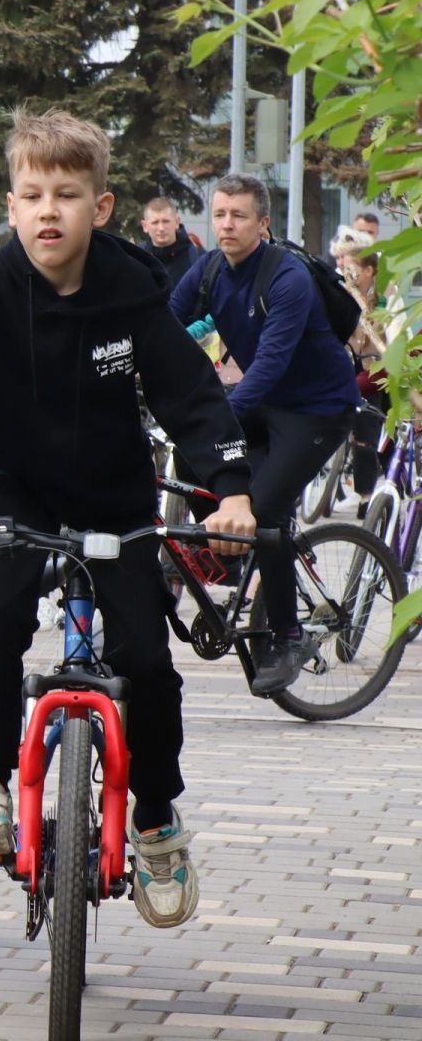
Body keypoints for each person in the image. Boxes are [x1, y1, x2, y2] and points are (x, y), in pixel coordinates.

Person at [0, 108, 255, 932]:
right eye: (31, 194)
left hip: (115, 497)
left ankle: (158, 822)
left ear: (104, 205)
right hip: (18, 488)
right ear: (12, 208)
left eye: (67, 193)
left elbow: (191, 399)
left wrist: (231, 489)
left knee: (148, 664)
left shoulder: (134, 290)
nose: (48, 210)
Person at [169, 174, 360, 695]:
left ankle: (288, 634)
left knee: (266, 511)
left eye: (239, 216)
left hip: (317, 411)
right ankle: (236, 559)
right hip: (267, 405)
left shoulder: (286, 278)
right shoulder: (208, 268)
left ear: (263, 223)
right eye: (221, 214)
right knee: (195, 460)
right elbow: (163, 323)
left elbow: (270, 365)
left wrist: (219, 411)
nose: (227, 224)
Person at [334, 235, 390, 507]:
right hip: (346, 363)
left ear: (369, 270)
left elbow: (385, 356)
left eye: (353, 266)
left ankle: (367, 497)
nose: (348, 272)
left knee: (366, 429)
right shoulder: (341, 294)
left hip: (375, 370)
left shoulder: (384, 301)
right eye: (344, 265)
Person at [138, 196, 204, 291]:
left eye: (166, 221)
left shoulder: (197, 257)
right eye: (155, 223)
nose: (161, 228)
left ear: (177, 222)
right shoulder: (137, 257)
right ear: (145, 226)